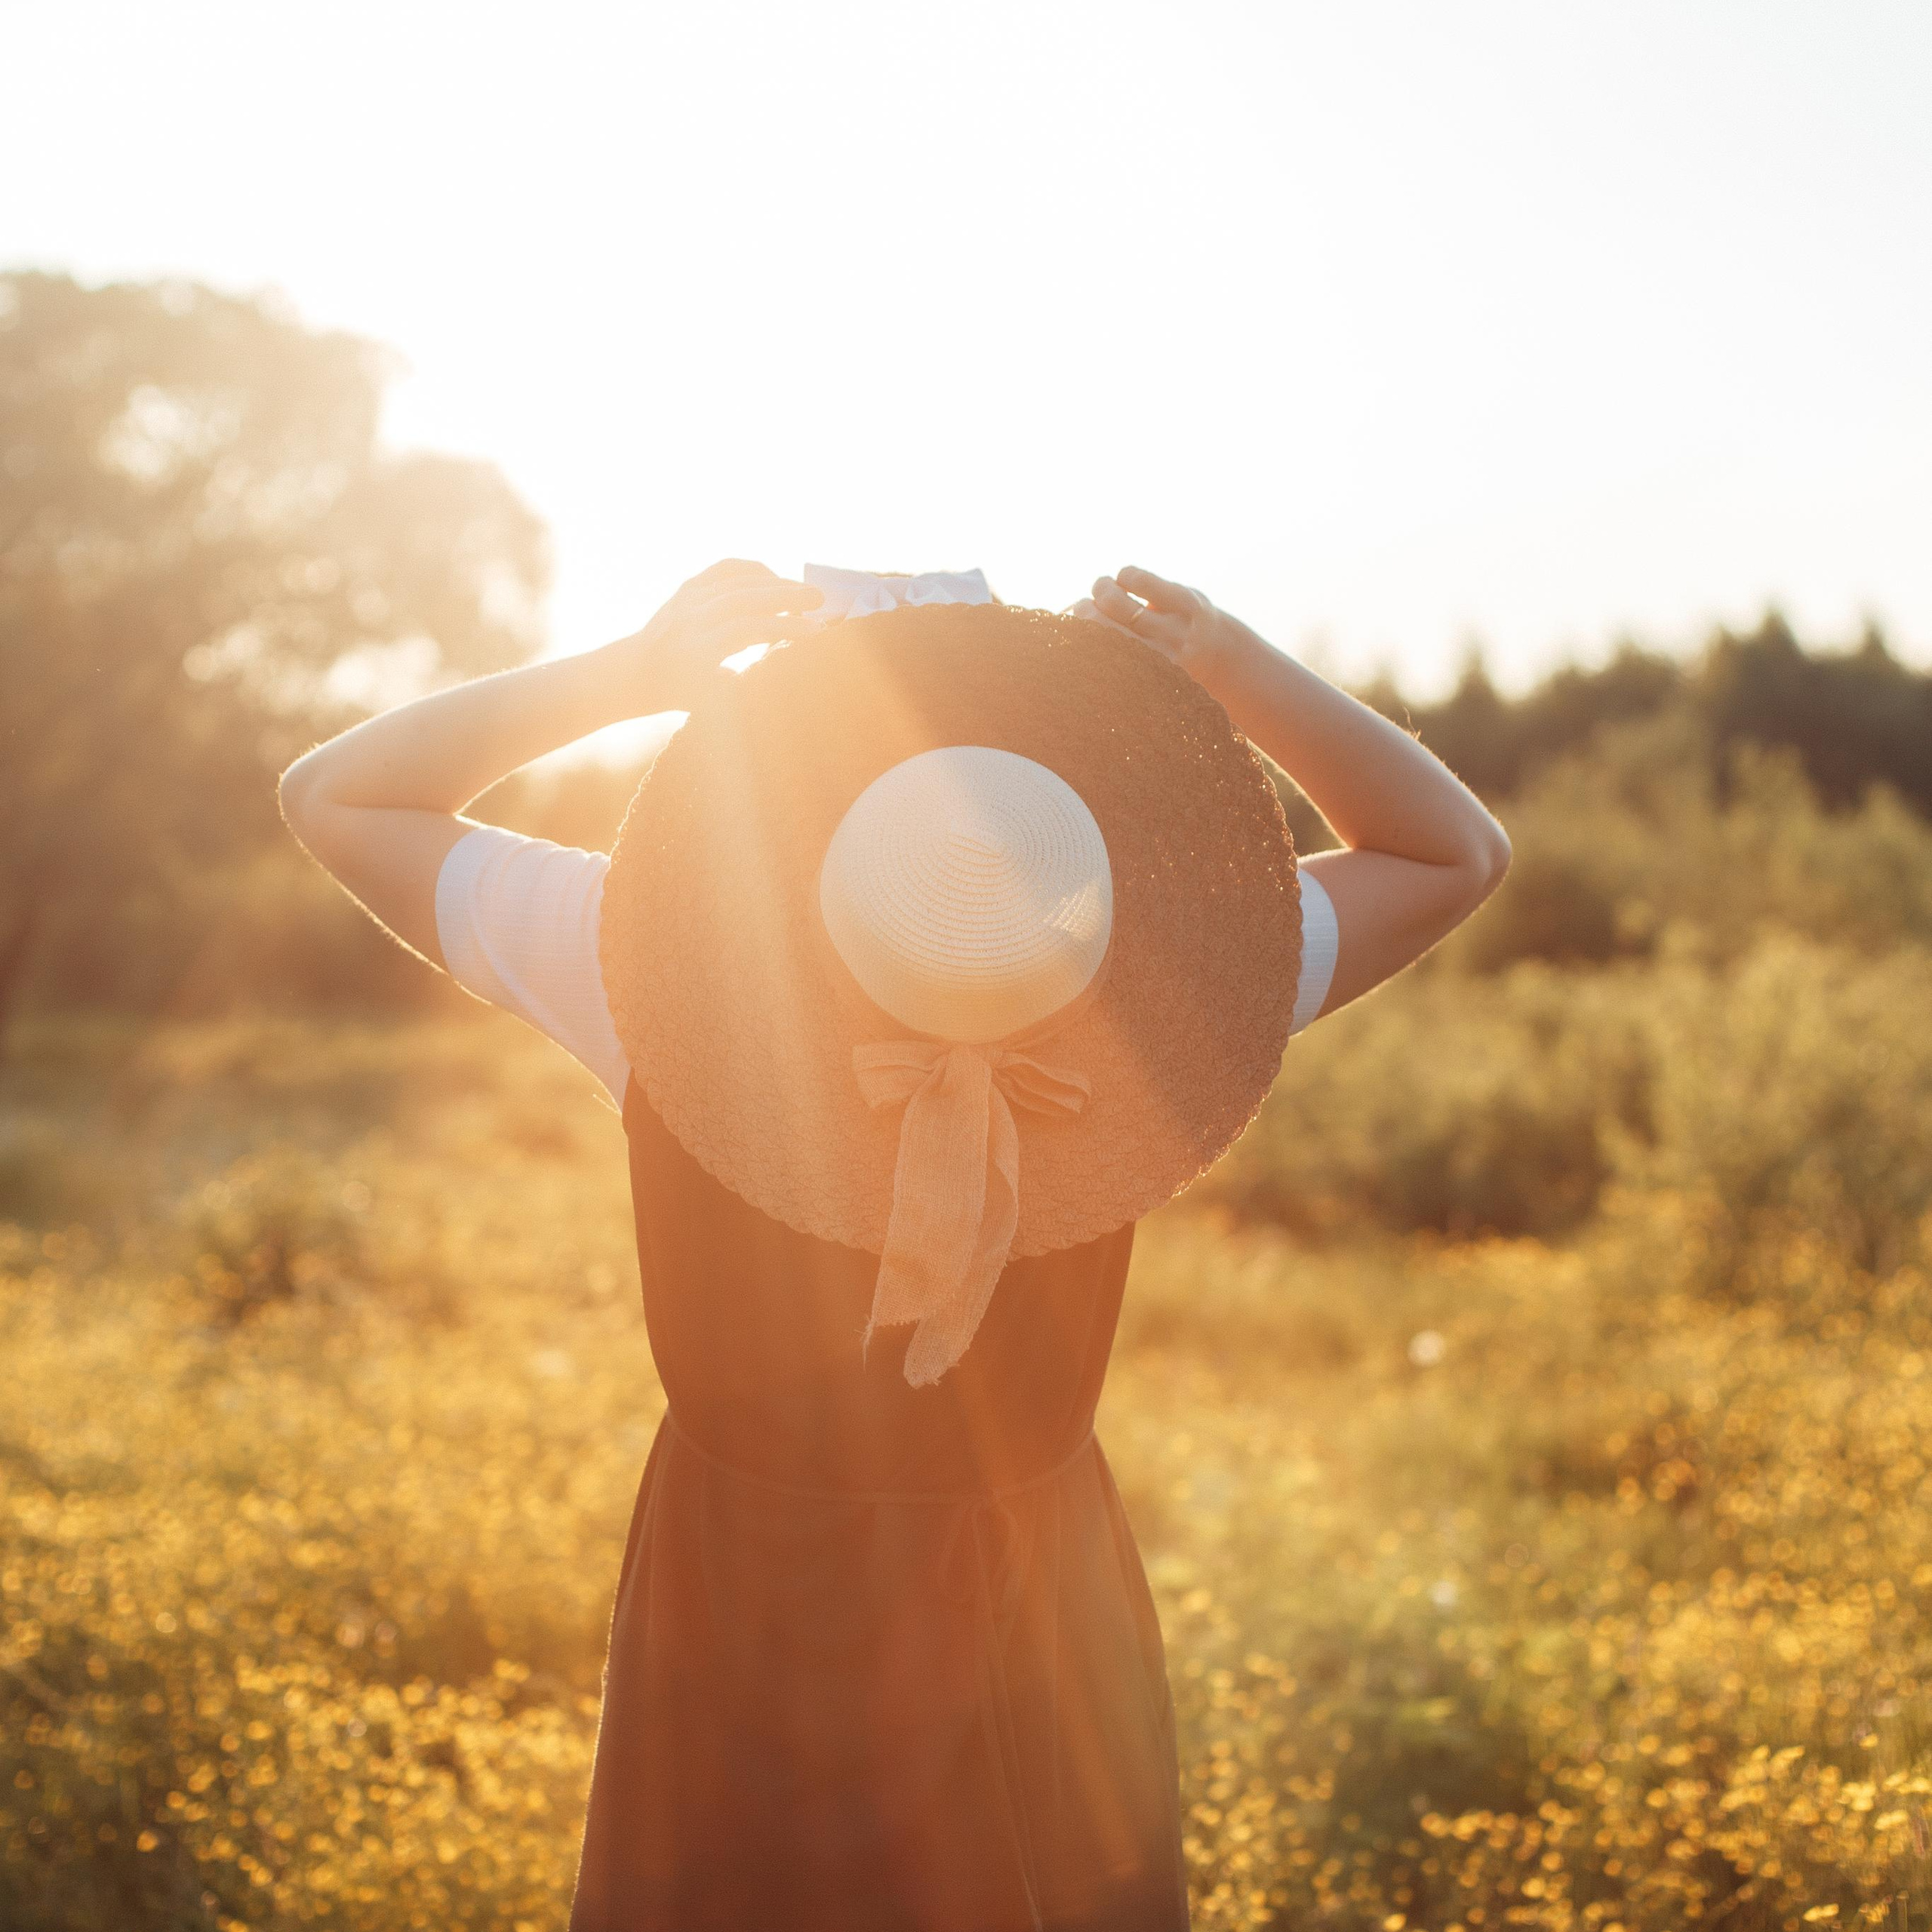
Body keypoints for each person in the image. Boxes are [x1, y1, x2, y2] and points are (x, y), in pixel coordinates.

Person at [279, 560, 1510, 1930]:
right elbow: (1453, 853)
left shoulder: (644, 961)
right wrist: (1226, 666)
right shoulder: (1171, 979)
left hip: (740, 1582)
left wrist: (633, 675)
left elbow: (336, 796)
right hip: (1035, 1588)